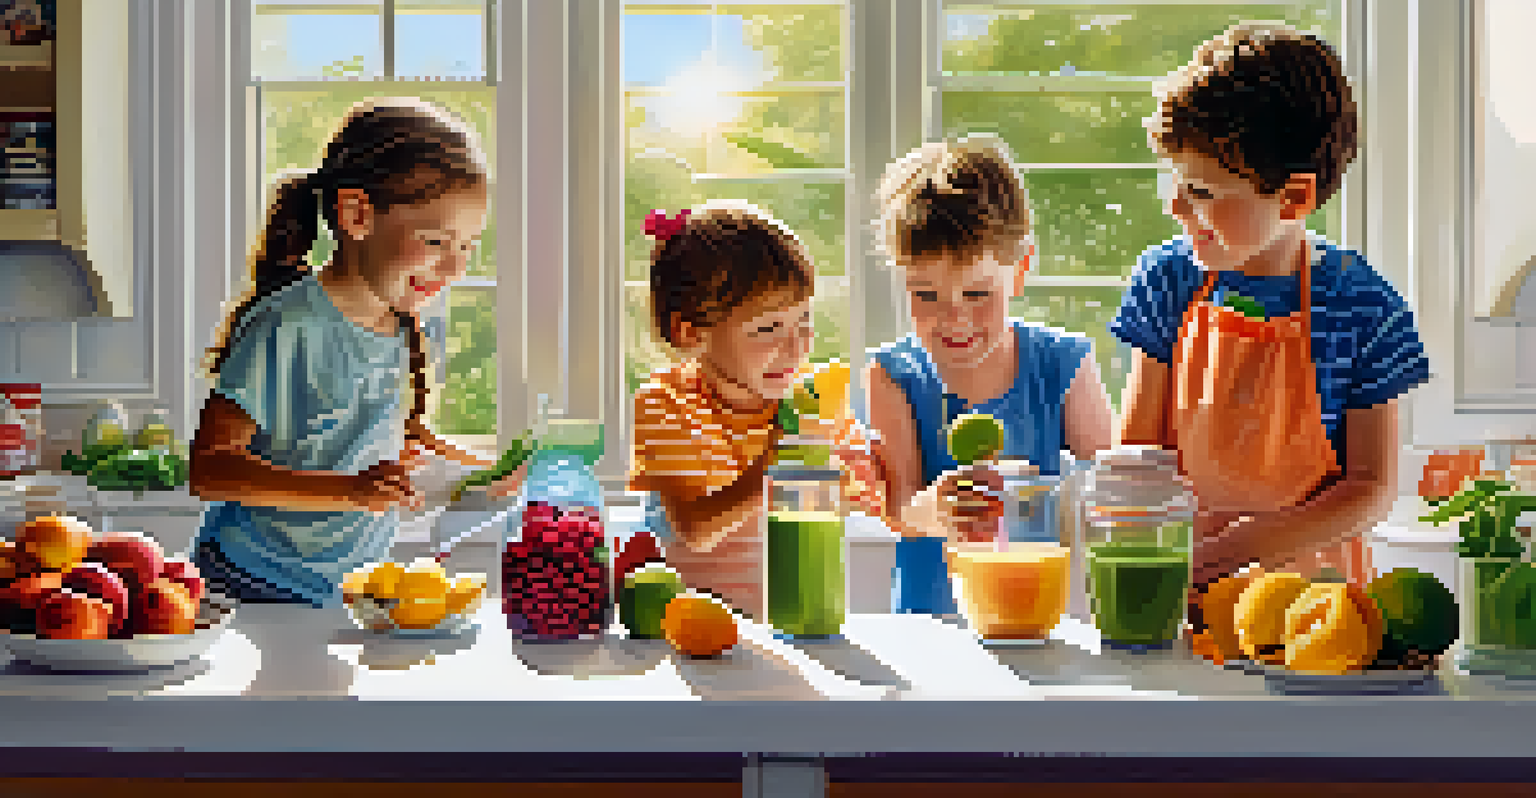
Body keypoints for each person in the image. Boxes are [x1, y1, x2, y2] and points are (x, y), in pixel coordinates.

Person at [1110, 24, 1432, 590]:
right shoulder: (1168, 281)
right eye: (1178, 181)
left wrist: (1250, 543)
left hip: (1318, 608)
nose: (1175, 205)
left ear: (1295, 196)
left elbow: (1371, 486)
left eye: (1204, 192)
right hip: (1184, 586)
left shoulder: (1363, 307)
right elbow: (1139, 455)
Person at [188, 98, 526, 608]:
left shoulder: (399, 323)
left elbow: (382, 436)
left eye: (468, 246)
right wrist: (351, 490)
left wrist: (485, 469)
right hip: (252, 581)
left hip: (346, 586)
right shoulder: (287, 325)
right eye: (436, 241)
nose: (455, 268)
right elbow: (209, 470)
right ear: (356, 215)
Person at [627, 201, 883, 619]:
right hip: (693, 632)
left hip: (798, 623)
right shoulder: (667, 404)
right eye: (769, 329)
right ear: (691, 333)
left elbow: (862, 502)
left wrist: (861, 470)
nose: (797, 347)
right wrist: (778, 465)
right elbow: (695, 531)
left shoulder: (809, 404)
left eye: (804, 321)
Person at [864, 134, 1115, 544]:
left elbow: (1109, 494)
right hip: (926, 609)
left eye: (977, 294)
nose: (954, 318)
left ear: (1019, 271)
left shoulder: (1064, 365)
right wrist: (937, 510)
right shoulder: (894, 375)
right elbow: (900, 508)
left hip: (1034, 601)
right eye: (925, 295)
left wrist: (1050, 498)